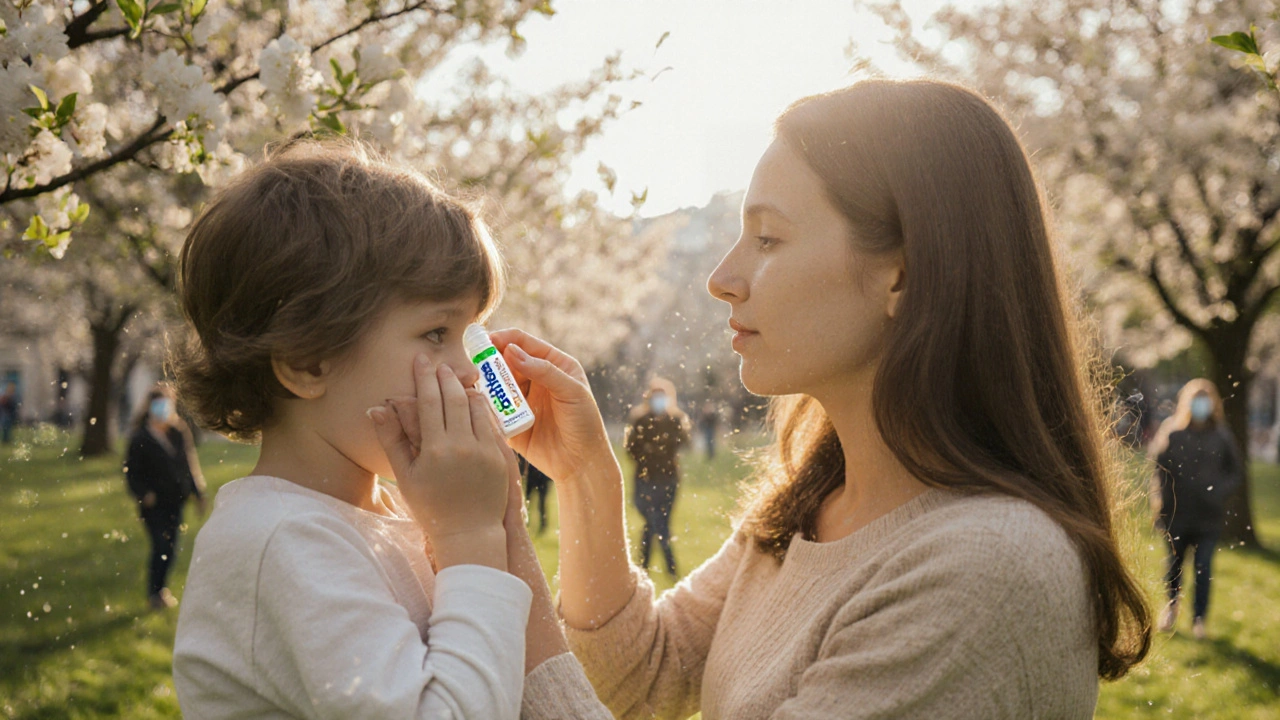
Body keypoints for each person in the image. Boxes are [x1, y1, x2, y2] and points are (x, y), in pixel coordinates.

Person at [484, 79, 1152, 718]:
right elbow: (639, 684)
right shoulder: (811, 505)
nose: (722, 278)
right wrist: (583, 476)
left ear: (905, 277)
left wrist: (490, 537)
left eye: (768, 238)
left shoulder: (985, 569)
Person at [168, 138, 598, 720]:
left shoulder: (392, 515)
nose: (476, 370)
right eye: (435, 333)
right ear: (309, 362)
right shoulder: (278, 542)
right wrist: (469, 539)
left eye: (472, 332)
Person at [1149, 379, 1243, 639]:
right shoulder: (1174, 433)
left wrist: (1219, 493)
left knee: (1204, 568)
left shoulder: (1222, 436)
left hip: (1208, 518)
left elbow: (1235, 471)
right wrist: (1162, 503)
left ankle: (1199, 619)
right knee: (1174, 566)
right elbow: (1160, 470)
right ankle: (1171, 608)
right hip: (1177, 515)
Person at [124, 383, 206, 610]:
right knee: (160, 545)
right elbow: (131, 473)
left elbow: (189, 463)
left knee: (170, 548)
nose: (163, 410)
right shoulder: (140, 437)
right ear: (150, 408)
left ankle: (161, 590)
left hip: (176, 501)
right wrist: (143, 494)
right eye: (158, 406)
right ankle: (155, 593)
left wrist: (197, 493)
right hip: (153, 506)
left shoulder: (178, 432)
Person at [624, 378, 691, 577]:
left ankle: (645, 568)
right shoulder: (640, 420)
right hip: (645, 479)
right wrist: (648, 452)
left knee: (657, 524)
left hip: (668, 479)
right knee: (655, 522)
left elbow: (685, 443)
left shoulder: (676, 420)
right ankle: (668, 568)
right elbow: (630, 449)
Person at [521, 455, 553, 535]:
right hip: (532, 477)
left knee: (541, 502)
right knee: (528, 502)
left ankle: (542, 525)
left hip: (541, 478)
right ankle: (526, 524)